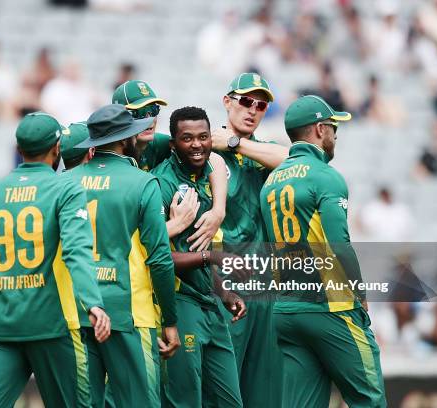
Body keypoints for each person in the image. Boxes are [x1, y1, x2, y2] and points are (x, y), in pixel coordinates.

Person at [0, 112, 111, 407]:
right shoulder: (65, 188)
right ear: (57, 149)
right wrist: (93, 303)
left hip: (1, 324)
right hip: (52, 325)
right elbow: (77, 251)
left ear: (18, 149)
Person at [259, 95, 386, 407]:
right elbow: (338, 244)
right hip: (329, 307)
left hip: (286, 310)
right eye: (332, 126)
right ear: (318, 129)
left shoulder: (271, 182)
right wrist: (360, 293)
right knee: (369, 398)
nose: (335, 133)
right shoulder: (327, 177)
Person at [68, 104, 180, 408]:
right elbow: (159, 258)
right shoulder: (142, 182)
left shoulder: (66, 181)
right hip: (128, 311)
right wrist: (169, 320)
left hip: (77, 312)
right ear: (124, 139)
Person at [152, 106, 245, 407]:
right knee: (185, 401)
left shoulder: (209, 173)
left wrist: (222, 289)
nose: (197, 144)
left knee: (231, 402)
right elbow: (158, 256)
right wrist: (213, 258)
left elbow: (195, 246)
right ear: (173, 144)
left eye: (203, 137)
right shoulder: (161, 184)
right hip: (181, 304)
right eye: (187, 138)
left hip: (210, 302)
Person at [210, 72, 288, 408]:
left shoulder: (260, 151)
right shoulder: (203, 147)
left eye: (261, 104)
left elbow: (293, 160)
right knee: (224, 390)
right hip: (226, 281)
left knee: (264, 390)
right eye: (246, 100)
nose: (253, 109)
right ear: (227, 102)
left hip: (265, 284)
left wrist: (234, 143)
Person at [112, 80, 228, 252]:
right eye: (139, 112)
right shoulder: (110, 157)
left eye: (154, 111)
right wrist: (176, 225)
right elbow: (129, 239)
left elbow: (214, 159)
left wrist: (218, 211)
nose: (149, 119)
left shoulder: (157, 143)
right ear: (117, 117)